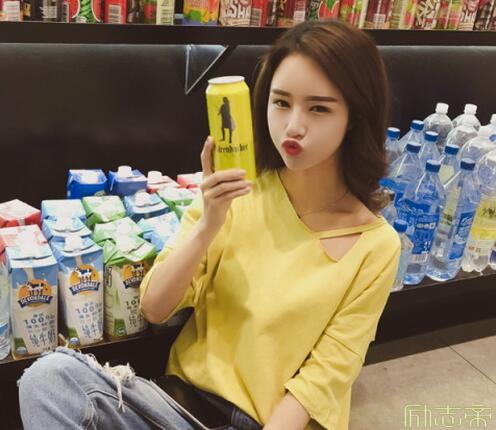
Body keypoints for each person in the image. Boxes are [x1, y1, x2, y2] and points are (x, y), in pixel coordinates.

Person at [17, 20, 400, 430]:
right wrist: (209, 224)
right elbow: (155, 307)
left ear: (355, 116)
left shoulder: (376, 246)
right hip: (181, 409)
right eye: (281, 102)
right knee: (50, 379)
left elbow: (323, 379)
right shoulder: (235, 192)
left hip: (269, 423)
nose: (293, 126)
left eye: (319, 108)